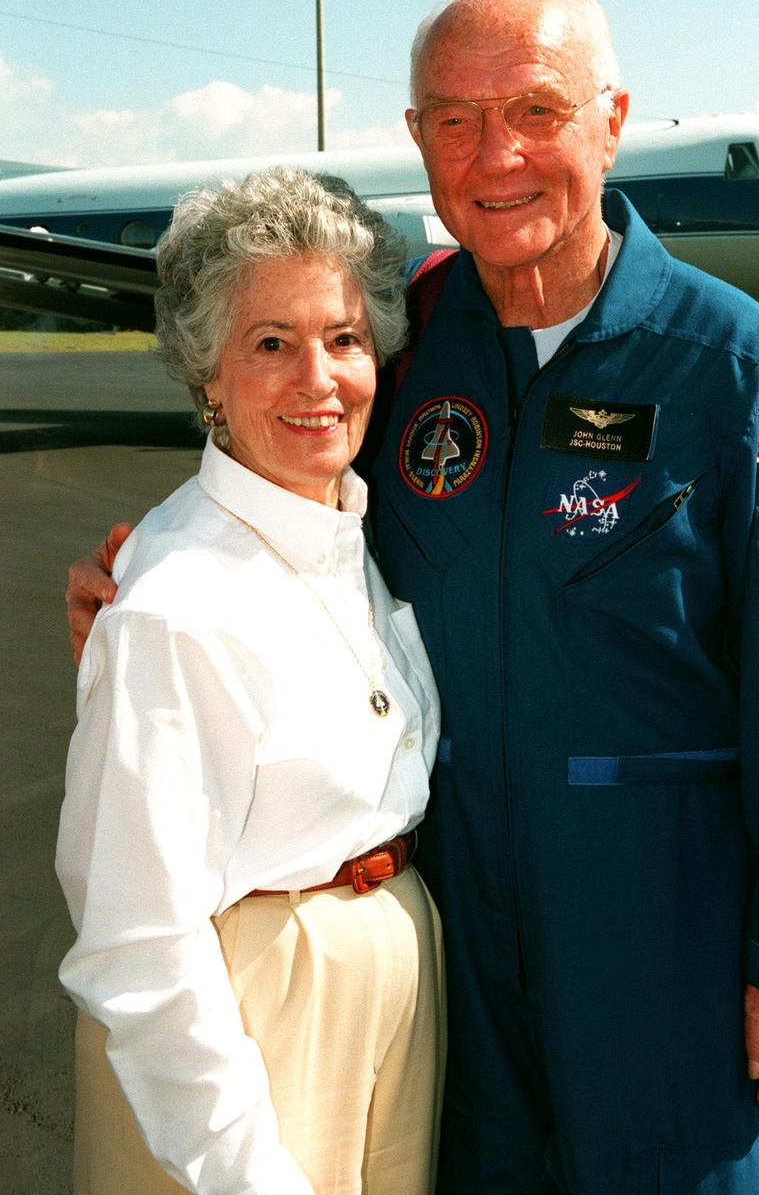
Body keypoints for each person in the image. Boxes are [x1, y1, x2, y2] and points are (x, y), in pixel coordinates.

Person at [67, 0, 759, 1195]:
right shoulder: (406, 336)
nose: (495, 154)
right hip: (453, 944)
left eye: (536, 110)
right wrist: (150, 576)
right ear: (418, 139)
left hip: (659, 943)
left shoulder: (734, 361)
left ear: (611, 121)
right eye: (454, 118)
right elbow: (294, 483)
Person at [56, 165, 445, 1195]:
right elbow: (137, 943)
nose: (319, 377)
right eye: (271, 343)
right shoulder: (175, 602)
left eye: (344, 337)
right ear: (208, 377)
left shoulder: (336, 528)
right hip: (241, 1038)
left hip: (386, 1011)